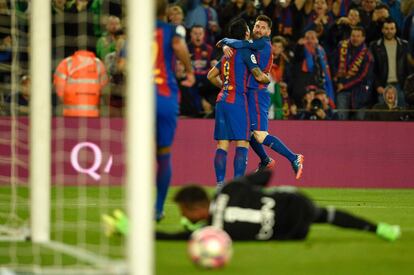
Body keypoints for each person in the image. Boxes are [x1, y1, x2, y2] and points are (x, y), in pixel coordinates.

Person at [102, 170, 401, 242]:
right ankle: (380, 229)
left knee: (321, 217)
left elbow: (169, 239)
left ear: (197, 209)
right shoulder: (230, 188)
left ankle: (379, 229)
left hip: (291, 234)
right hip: (295, 204)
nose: (185, 217)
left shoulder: (213, 232)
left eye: (186, 213)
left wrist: (133, 231)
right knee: (328, 214)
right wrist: (253, 186)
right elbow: (267, 174)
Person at [218, 15, 304, 179]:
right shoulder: (254, 46)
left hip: (257, 92)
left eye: (263, 27)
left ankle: (294, 157)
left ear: (269, 31)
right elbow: (239, 47)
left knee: (259, 134)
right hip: (248, 93)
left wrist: (224, 40)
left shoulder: (263, 43)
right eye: (257, 26)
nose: (259, 29)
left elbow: (240, 44)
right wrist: (225, 46)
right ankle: (265, 160)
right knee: (247, 133)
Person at [207, 18, 270, 187]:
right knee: (242, 142)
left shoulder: (227, 53)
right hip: (238, 101)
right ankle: (237, 186)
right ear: (246, 33)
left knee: (222, 144)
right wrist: (267, 78)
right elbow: (257, 75)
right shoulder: (245, 52)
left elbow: (210, 75)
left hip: (222, 100)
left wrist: (225, 86)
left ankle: (220, 184)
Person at [154, 0, 195, 221]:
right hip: (165, 96)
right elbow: (179, 46)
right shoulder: (173, 30)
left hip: (142, 98)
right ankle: (158, 208)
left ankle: (138, 203)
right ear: (167, 12)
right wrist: (189, 71)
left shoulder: (137, 32)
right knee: (163, 154)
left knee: (140, 154)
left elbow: (122, 65)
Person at [332, 26, 374, 120]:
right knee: (341, 118)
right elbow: (333, 61)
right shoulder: (341, 46)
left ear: (363, 38)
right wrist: (335, 76)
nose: (355, 38)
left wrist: (344, 85)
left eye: (358, 36)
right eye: (353, 36)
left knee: (359, 120)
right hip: (342, 90)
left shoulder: (367, 55)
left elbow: (362, 76)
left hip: (360, 92)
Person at [369, 18, 411, 109]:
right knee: (384, 118)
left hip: (401, 86)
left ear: (395, 30)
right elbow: (371, 69)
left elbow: (409, 68)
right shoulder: (374, 46)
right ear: (382, 30)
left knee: (402, 117)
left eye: (392, 28)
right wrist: (377, 86)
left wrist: (407, 87)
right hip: (383, 86)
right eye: (386, 28)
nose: (389, 31)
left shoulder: (404, 45)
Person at [53, 49, 108, 117]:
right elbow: (104, 88)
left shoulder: (66, 63)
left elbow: (59, 87)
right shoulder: (98, 64)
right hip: (93, 115)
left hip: (70, 114)